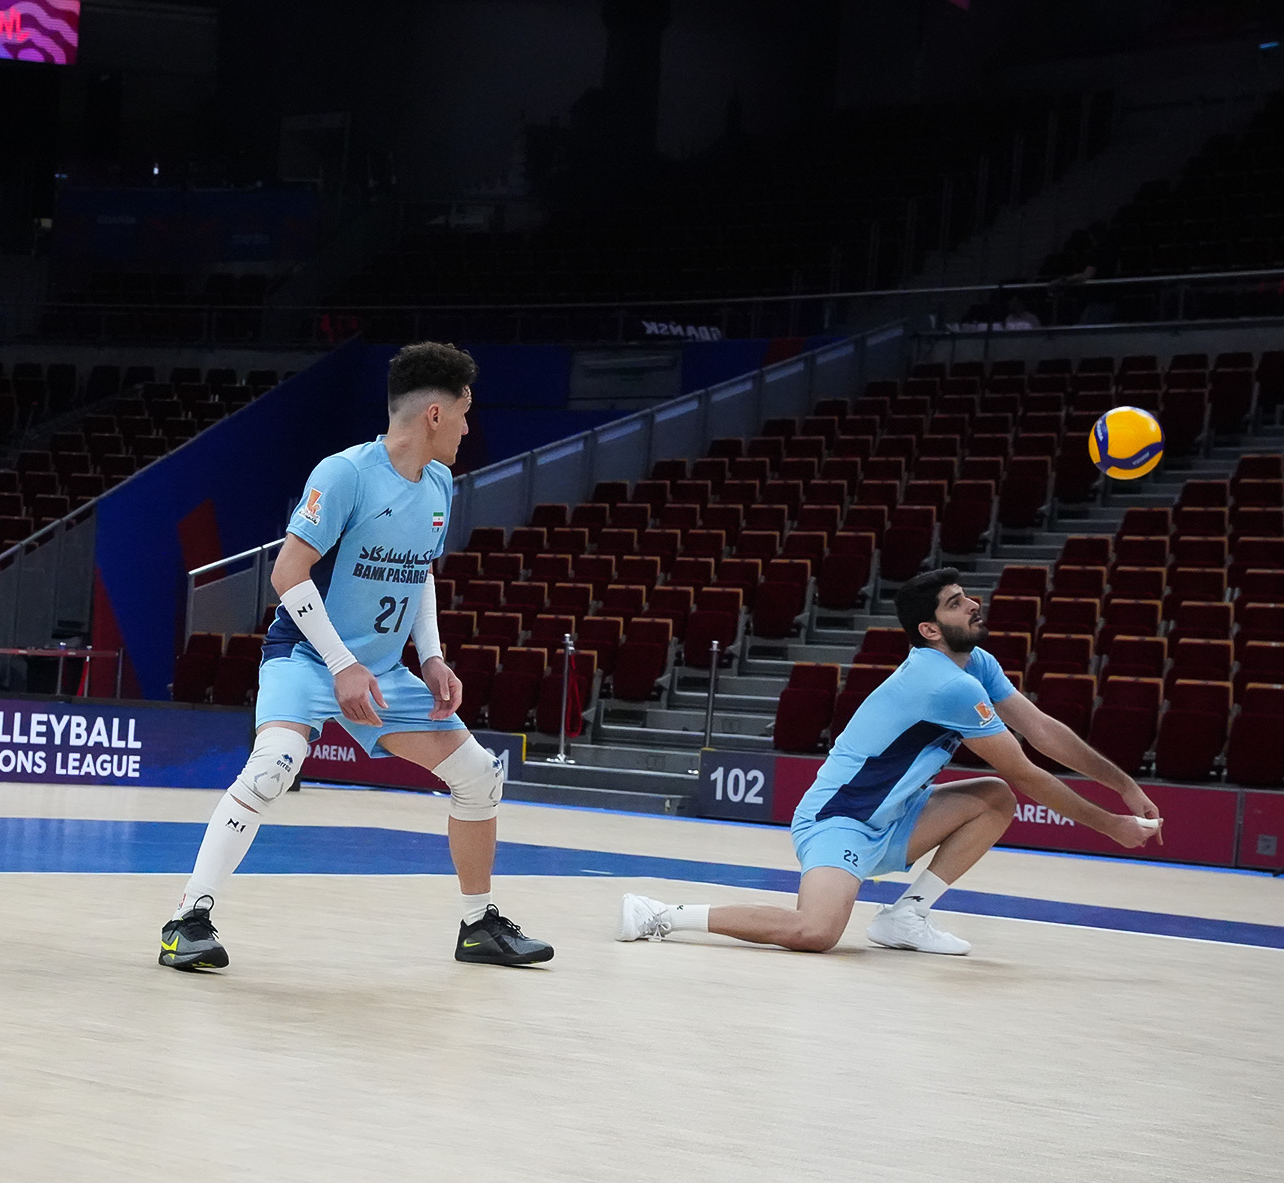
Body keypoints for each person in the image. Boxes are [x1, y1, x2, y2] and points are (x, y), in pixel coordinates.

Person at [159, 342, 554, 971]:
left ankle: (479, 926)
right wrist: (342, 665)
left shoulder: (440, 483)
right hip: (307, 658)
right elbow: (287, 574)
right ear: (434, 414)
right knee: (273, 768)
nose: (467, 428)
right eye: (463, 414)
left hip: (382, 671)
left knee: (480, 776)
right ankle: (187, 922)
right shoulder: (344, 473)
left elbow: (420, 572)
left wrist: (432, 657)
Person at [617, 567, 1161, 956]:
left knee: (993, 797)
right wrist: (1110, 827)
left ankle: (905, 917)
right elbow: (1025, 768)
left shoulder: (975, 663)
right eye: (956, 602)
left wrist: (1124, 786)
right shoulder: (943, 684)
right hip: (839, 819)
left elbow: (1042, 729)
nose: (973, 604)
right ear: (929, 630)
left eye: (966, 597)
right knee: (816, 933)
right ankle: (660, 915)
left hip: (896, 817)